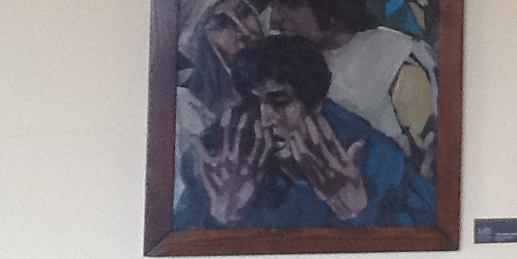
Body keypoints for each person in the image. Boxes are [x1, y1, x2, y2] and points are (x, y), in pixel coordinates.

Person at [173, 35, 436, 230]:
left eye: (280, 102)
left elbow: (425, 235)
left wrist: (358, 213)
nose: (266, 119)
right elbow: (180, 244)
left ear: (315, 103)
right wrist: (220, 218)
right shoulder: (216, 160)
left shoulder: (375, 156)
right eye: (253, 103)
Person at [264, 0, 439, 183]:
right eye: (274, 5)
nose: (276, 18)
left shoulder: (397, 59)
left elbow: (430, 162)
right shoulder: (280, 64)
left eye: (292, 5)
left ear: (329, 1)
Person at [175, 0, 263, 208]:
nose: (244, 32)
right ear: (197, 43)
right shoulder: (183, 108)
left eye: (244, 13)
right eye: (222, 25)